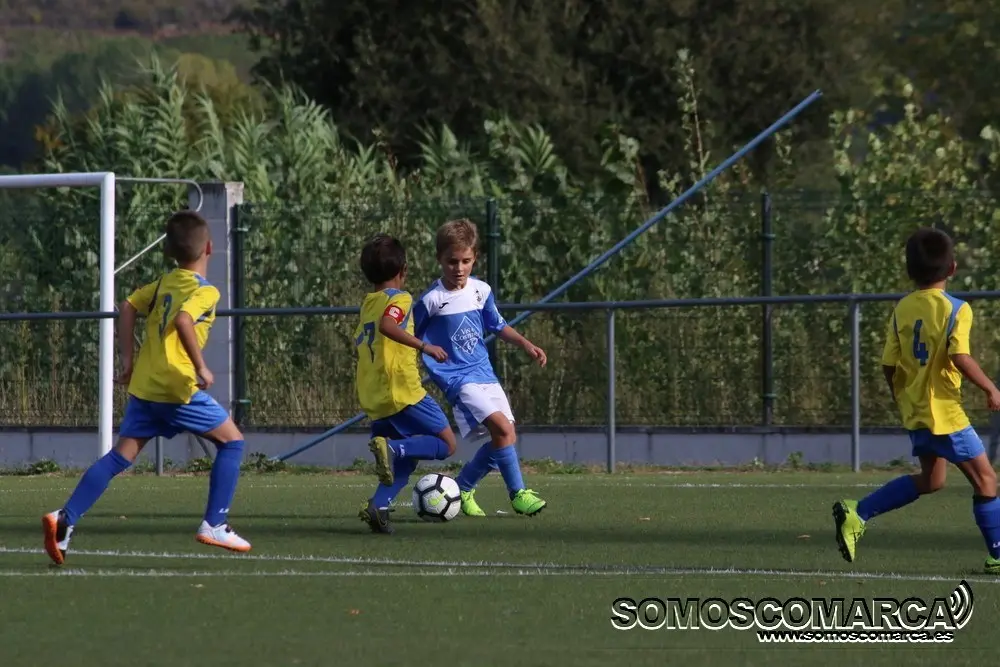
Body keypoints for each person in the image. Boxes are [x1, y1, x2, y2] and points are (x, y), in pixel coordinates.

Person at [41, 211, 251, 565]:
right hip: (175, 386)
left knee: (119, 457)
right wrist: (200, 365)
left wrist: (127, 361)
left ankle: (65, 518)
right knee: (233, 442)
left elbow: (127, 306)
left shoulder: (164, 282)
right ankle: (215, 524)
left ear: (169, 251)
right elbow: (184, 320)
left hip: (146, 386)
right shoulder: (206, 291)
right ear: (209, 248)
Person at [832, 227, 1000, 573]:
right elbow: (959, 356)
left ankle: (857, 512)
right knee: (986, 479)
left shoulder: (902, 309)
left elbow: (888, 365)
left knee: (932, 480)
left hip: (917, 411)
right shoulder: (957, 309)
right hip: (945, 413)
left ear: (910, 270)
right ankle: (998, 556)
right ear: (952, 268)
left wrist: (903, 398)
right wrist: (991, 388)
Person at [413, 218, 547, 518]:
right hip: (458, 379)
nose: (459, 268)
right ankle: (518, 494)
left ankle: (463, 487)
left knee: (506, 435)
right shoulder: (431, 300)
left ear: (475, 258)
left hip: (484, 373)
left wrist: (526, 344)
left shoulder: (481, 291)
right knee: (502, 428)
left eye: (466, 261)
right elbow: (409, 336)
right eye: (452, 262)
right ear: (439, 259)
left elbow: (497, 325)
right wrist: (419, 357)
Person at [355, 234, 457, 534]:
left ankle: (379, 506)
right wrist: (425, 346)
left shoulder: (368, 303)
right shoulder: (399, 298)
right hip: (402, 391)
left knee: (406, 461)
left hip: (375, 396)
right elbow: (389, 325)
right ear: (404, 270)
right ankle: (393, 448)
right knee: (447, 444)